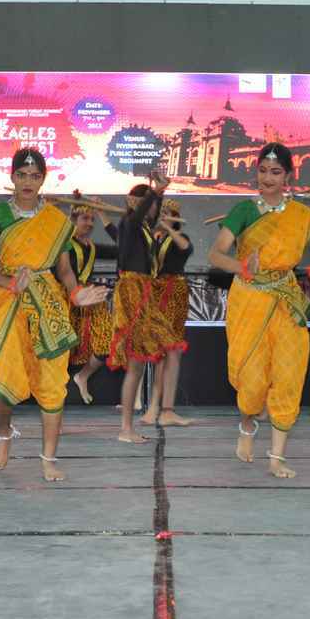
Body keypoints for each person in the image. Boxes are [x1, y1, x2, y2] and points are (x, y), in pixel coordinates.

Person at [0, 148, 107, 480]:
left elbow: (64, 270)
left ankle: (49, 459)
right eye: (22, 175)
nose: (28, 182)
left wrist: (76, 293)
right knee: (2, 385)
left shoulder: (56, 221)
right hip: (8, 301)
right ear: (12, 177)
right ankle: (4, 434)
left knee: (52, 381)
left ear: (43, 179)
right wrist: (12, 283)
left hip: (49, 303)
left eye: (35, 176)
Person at [208, 143, 310, 478]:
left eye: (275, 172)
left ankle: (277, 458)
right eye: (263, 171)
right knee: (251, 381)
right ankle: (247, 426)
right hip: (249, 299)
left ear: (288, 176)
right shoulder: (244, 210)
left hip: (286, 299)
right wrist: (242, 267)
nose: (268, 178)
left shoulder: (303, 216)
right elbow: (215, 255)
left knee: (289, 373)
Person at [107, 172, 181, 442]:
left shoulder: (143, 230)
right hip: (132, 292)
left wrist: (159, 194)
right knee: (136, 363)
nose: (153, 209)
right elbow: (139, 215)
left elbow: (147, 216)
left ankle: (154, 412)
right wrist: (155, 191)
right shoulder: (129, 223)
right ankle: (126, 429)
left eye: (155, 206)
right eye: (149, 204)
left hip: (145, 292)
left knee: (166, 349)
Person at [140, 198, 193, 427]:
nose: (162, 215)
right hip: (155, 293)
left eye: (167, 212)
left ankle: (164, 409)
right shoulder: (152, 238)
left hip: (174, 294)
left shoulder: (178, 238)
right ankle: (156, 408)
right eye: (160, 211)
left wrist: (169, 228)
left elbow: (186, 248)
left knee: (171, 351)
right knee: (160, 352)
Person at [65, 196, 119, 405]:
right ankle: (52, 393)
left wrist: (102, 213)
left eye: (91, 219)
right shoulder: (64, 244)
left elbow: (122, 247)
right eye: (84, 219)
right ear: (73, 220)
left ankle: (83, 376)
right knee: (62, 347)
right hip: (67, 297)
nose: (89, 223)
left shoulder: (92, 247)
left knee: (107, 341)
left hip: (90, 296)